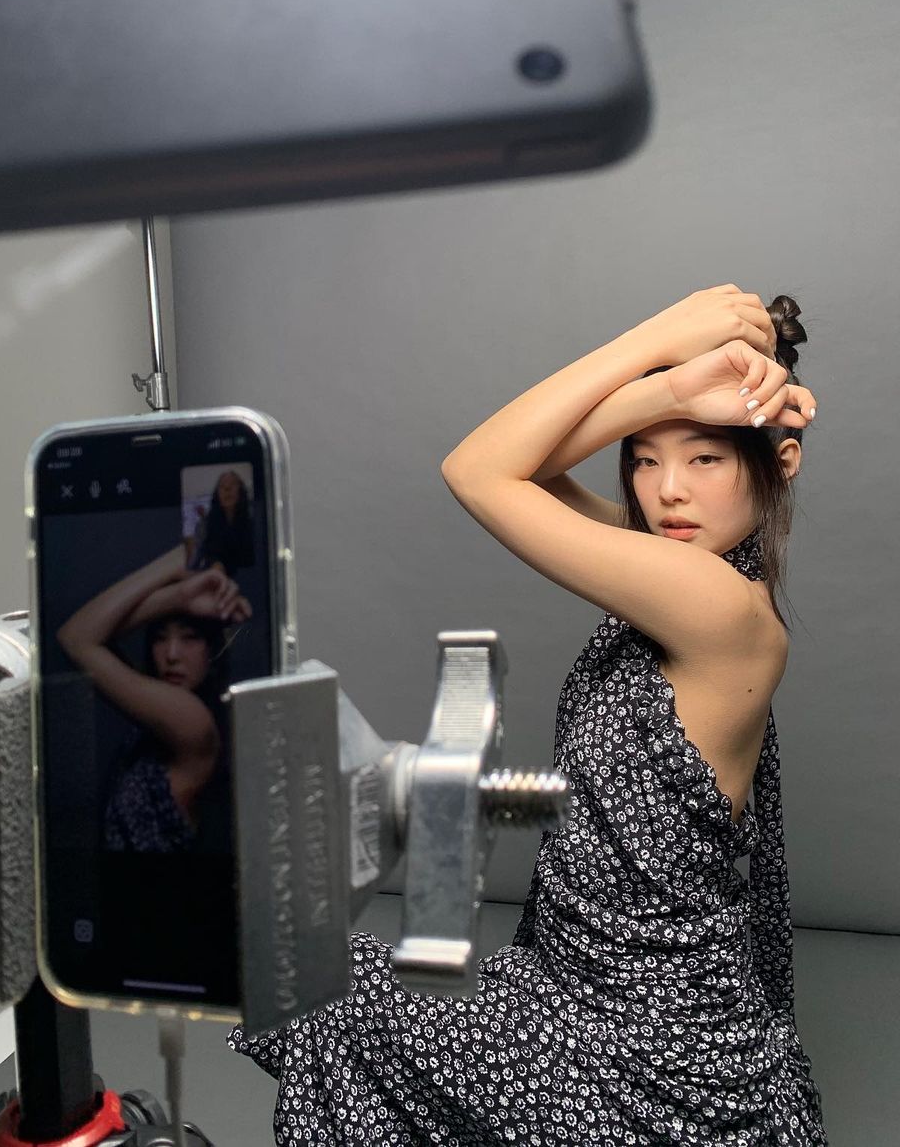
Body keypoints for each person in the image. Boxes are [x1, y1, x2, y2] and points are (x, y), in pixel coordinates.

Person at [229, 285, 828, 1145]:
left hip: (640, 1037)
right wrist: (673, 389)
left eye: (706, 459)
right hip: (573, 982)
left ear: (782, 461)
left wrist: (660, 344)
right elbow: (534, 468)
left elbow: (478, 470)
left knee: (323, 981)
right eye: (645, 460)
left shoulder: (716, 606)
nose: (668, 492)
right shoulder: (669, 563)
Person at [57, 546, 252, 852]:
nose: (171, 655)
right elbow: (92, 636)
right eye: (160, 638)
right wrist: (180, 597)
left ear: (213, 650)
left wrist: (179, 561)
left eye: (190, 638)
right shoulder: (159, 715)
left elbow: (77, 639)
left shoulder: (193, 722)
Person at [190, 469, 255, 577]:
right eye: (222, 486)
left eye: (232, 484)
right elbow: (197, 558)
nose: (227, 488)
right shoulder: (206, 524)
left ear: (241, 490)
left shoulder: (253, 522)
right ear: (217, 493)